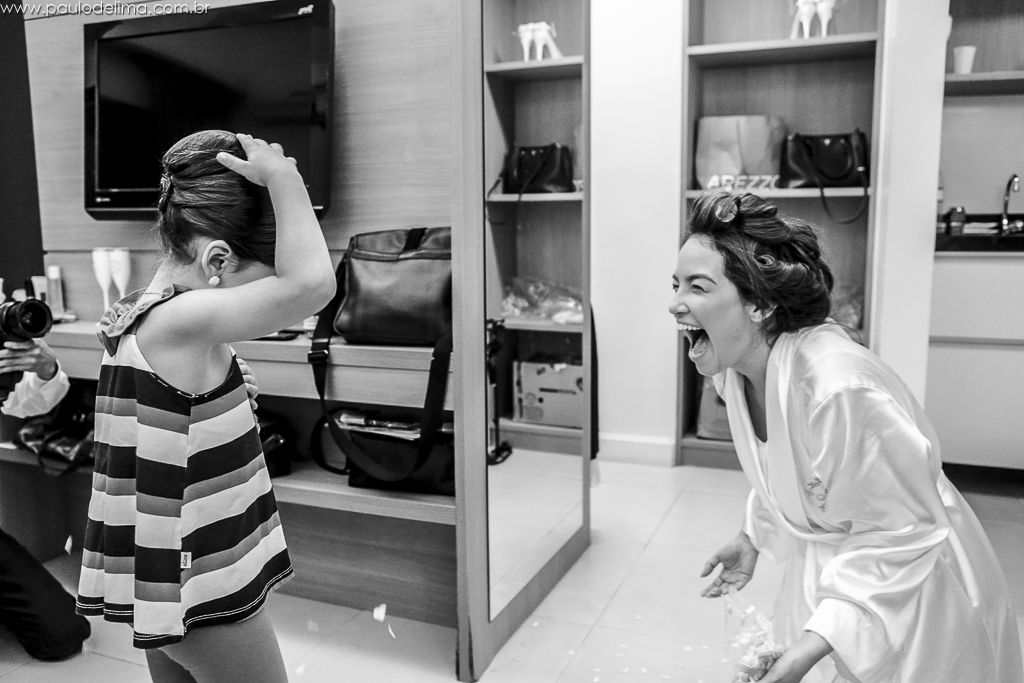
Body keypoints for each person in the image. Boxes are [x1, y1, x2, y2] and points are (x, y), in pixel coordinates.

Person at [671, 191, 1023, 683]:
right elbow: (797, 469)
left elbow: (901, 531)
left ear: (759, 303)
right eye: (676, 284)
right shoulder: (737, 370)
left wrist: (804, 653)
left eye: (698, 287)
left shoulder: (838, 389)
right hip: (839, 569)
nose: (675, 304)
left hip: (908, 577)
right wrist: (754, 534)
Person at [76, 130, 336, 683]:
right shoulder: (181, 322)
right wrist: (285, 178)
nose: (263, 306)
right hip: (200, 582)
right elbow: (313, 284)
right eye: (261, 287)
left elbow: (171, 418)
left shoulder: (143, 312)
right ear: (217, 258)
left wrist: (229, 397)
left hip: (165, 573)